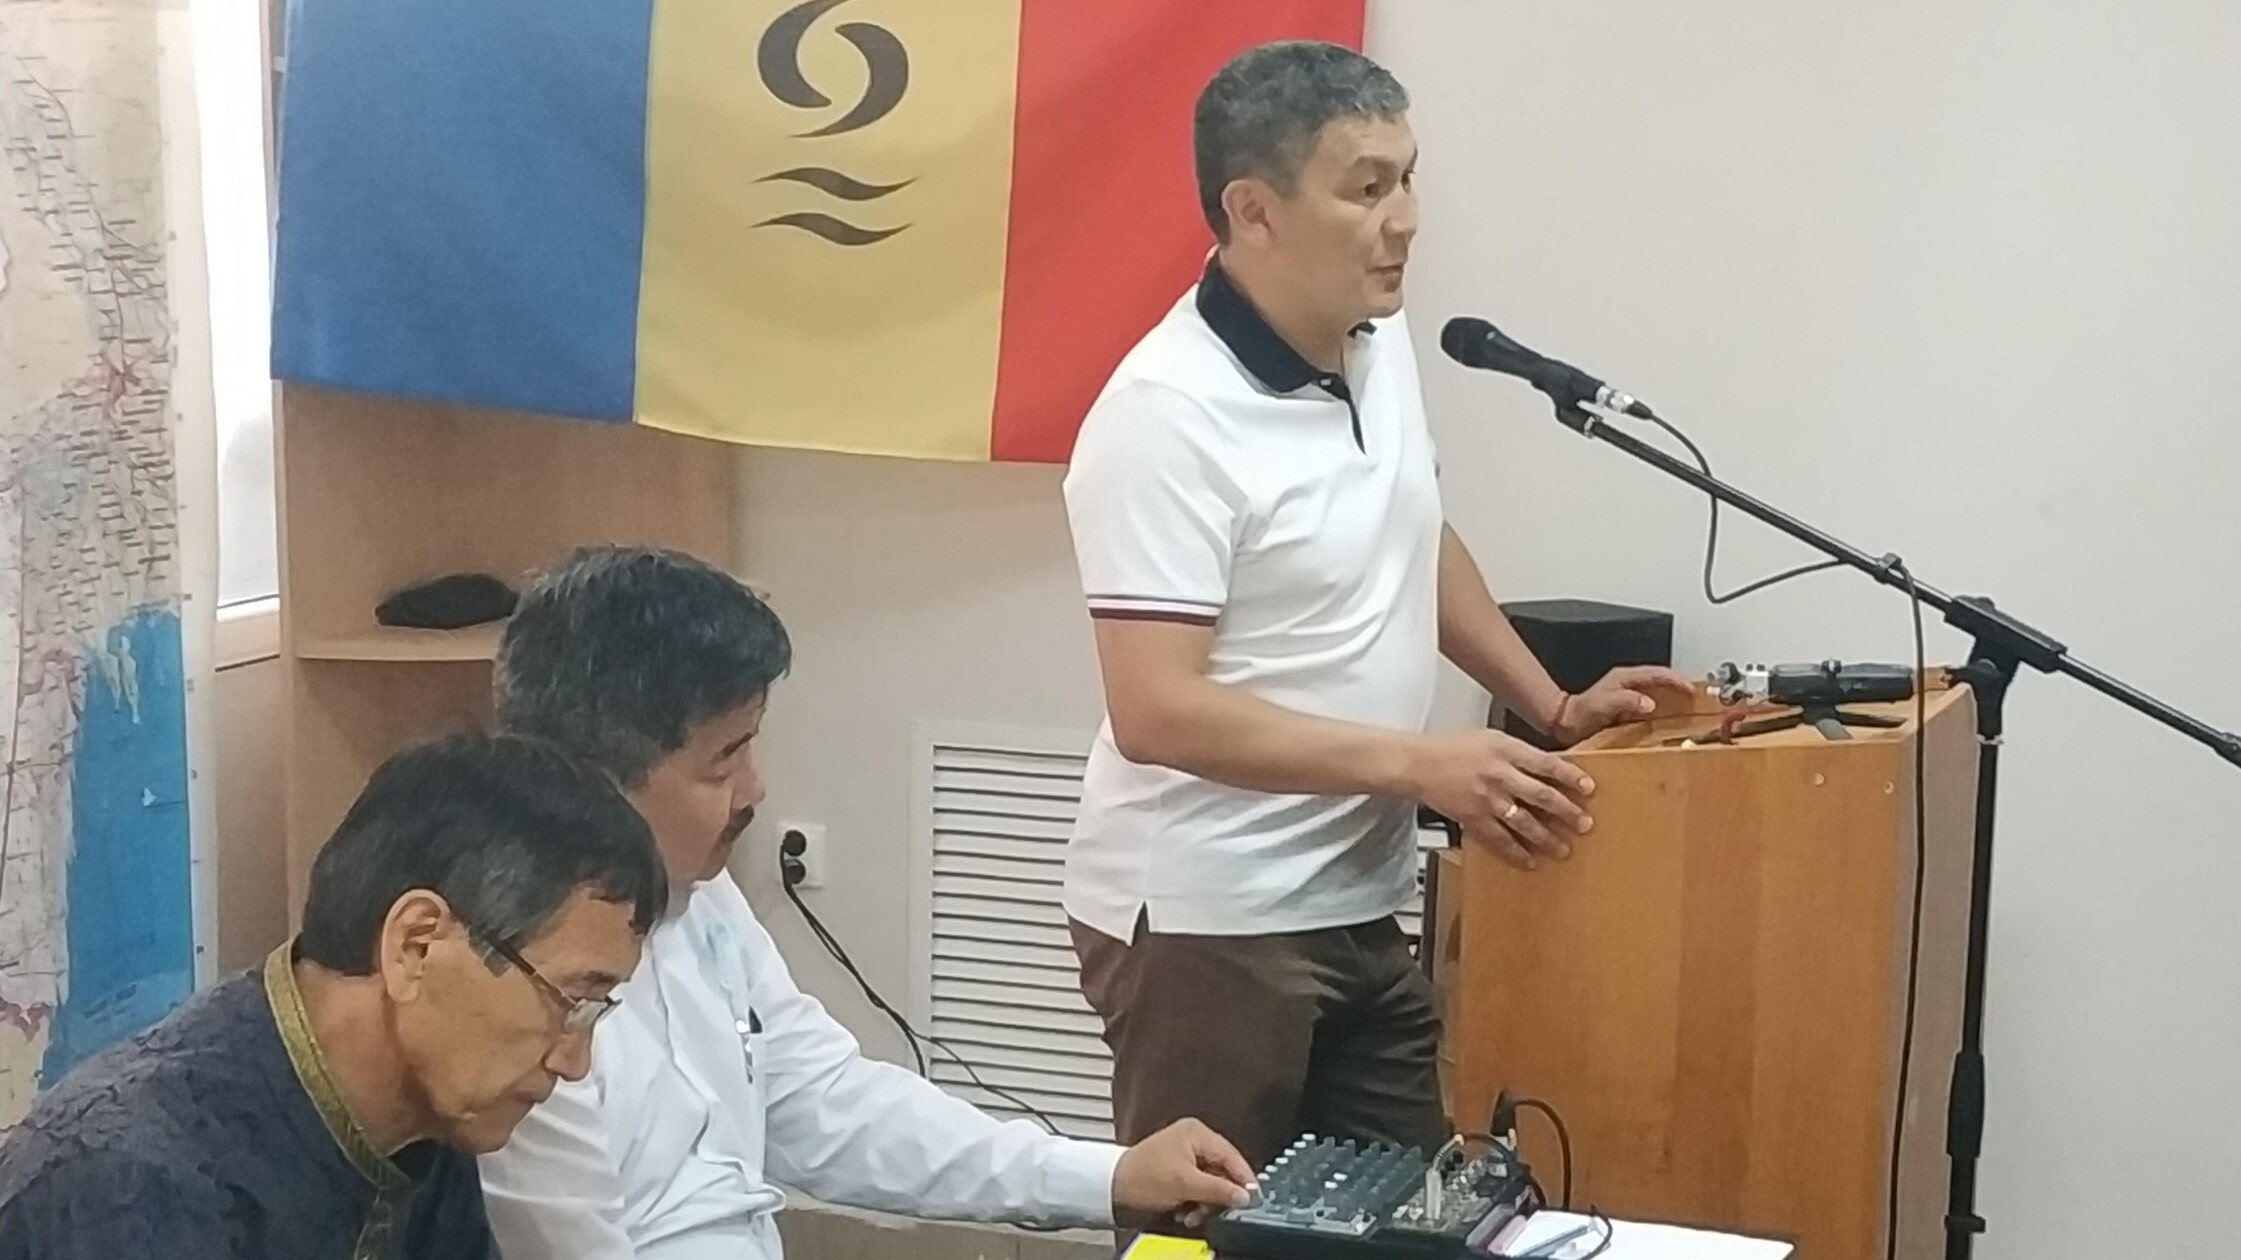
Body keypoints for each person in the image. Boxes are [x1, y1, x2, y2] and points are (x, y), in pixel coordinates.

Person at [1059, 40, 1697, 1177]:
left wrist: (1549, 705)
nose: (1404, 220)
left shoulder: (1375, 337)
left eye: (1408, 179)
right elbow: (1156, 711)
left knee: (1408, 1220)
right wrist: (1419, 766)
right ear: (1252, 211)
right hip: (1210, 921)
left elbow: (1411, 528)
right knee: (1201, 1234)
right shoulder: (1164, 415)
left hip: (1359, 895)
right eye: (1364, 189)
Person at [476, 545, 1255, 1260]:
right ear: (597, 780)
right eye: (723, 763)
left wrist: (1107, 1176)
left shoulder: (699, 895)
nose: (756, 788)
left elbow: (823, 1102)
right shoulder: (514, 995)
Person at [0, 733, 667, 1259]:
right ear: (416, 945)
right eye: (568, 1000)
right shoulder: (130, 1189)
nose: (574, 1061)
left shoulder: (426, 1122)